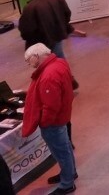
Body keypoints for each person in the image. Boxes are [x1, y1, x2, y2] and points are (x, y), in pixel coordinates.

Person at [21, 43, 77, 195]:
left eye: (28, 60)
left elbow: (51, 106)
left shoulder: (47, 76)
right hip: (63, 116)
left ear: (36, 57)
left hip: (54, 122)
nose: (28, 63)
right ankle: (70, 173)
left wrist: (45, 122)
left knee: (60, 152)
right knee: (65, 147)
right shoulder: (59, 62)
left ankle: (67, 184)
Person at [18, 0, 79, 89]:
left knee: (48, 65)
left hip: (42, 42)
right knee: (60, 59)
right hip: (57, 35)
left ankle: (56, 85)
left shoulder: (29, 8)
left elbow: (25, 30)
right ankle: (68, 80)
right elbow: (67, 14)